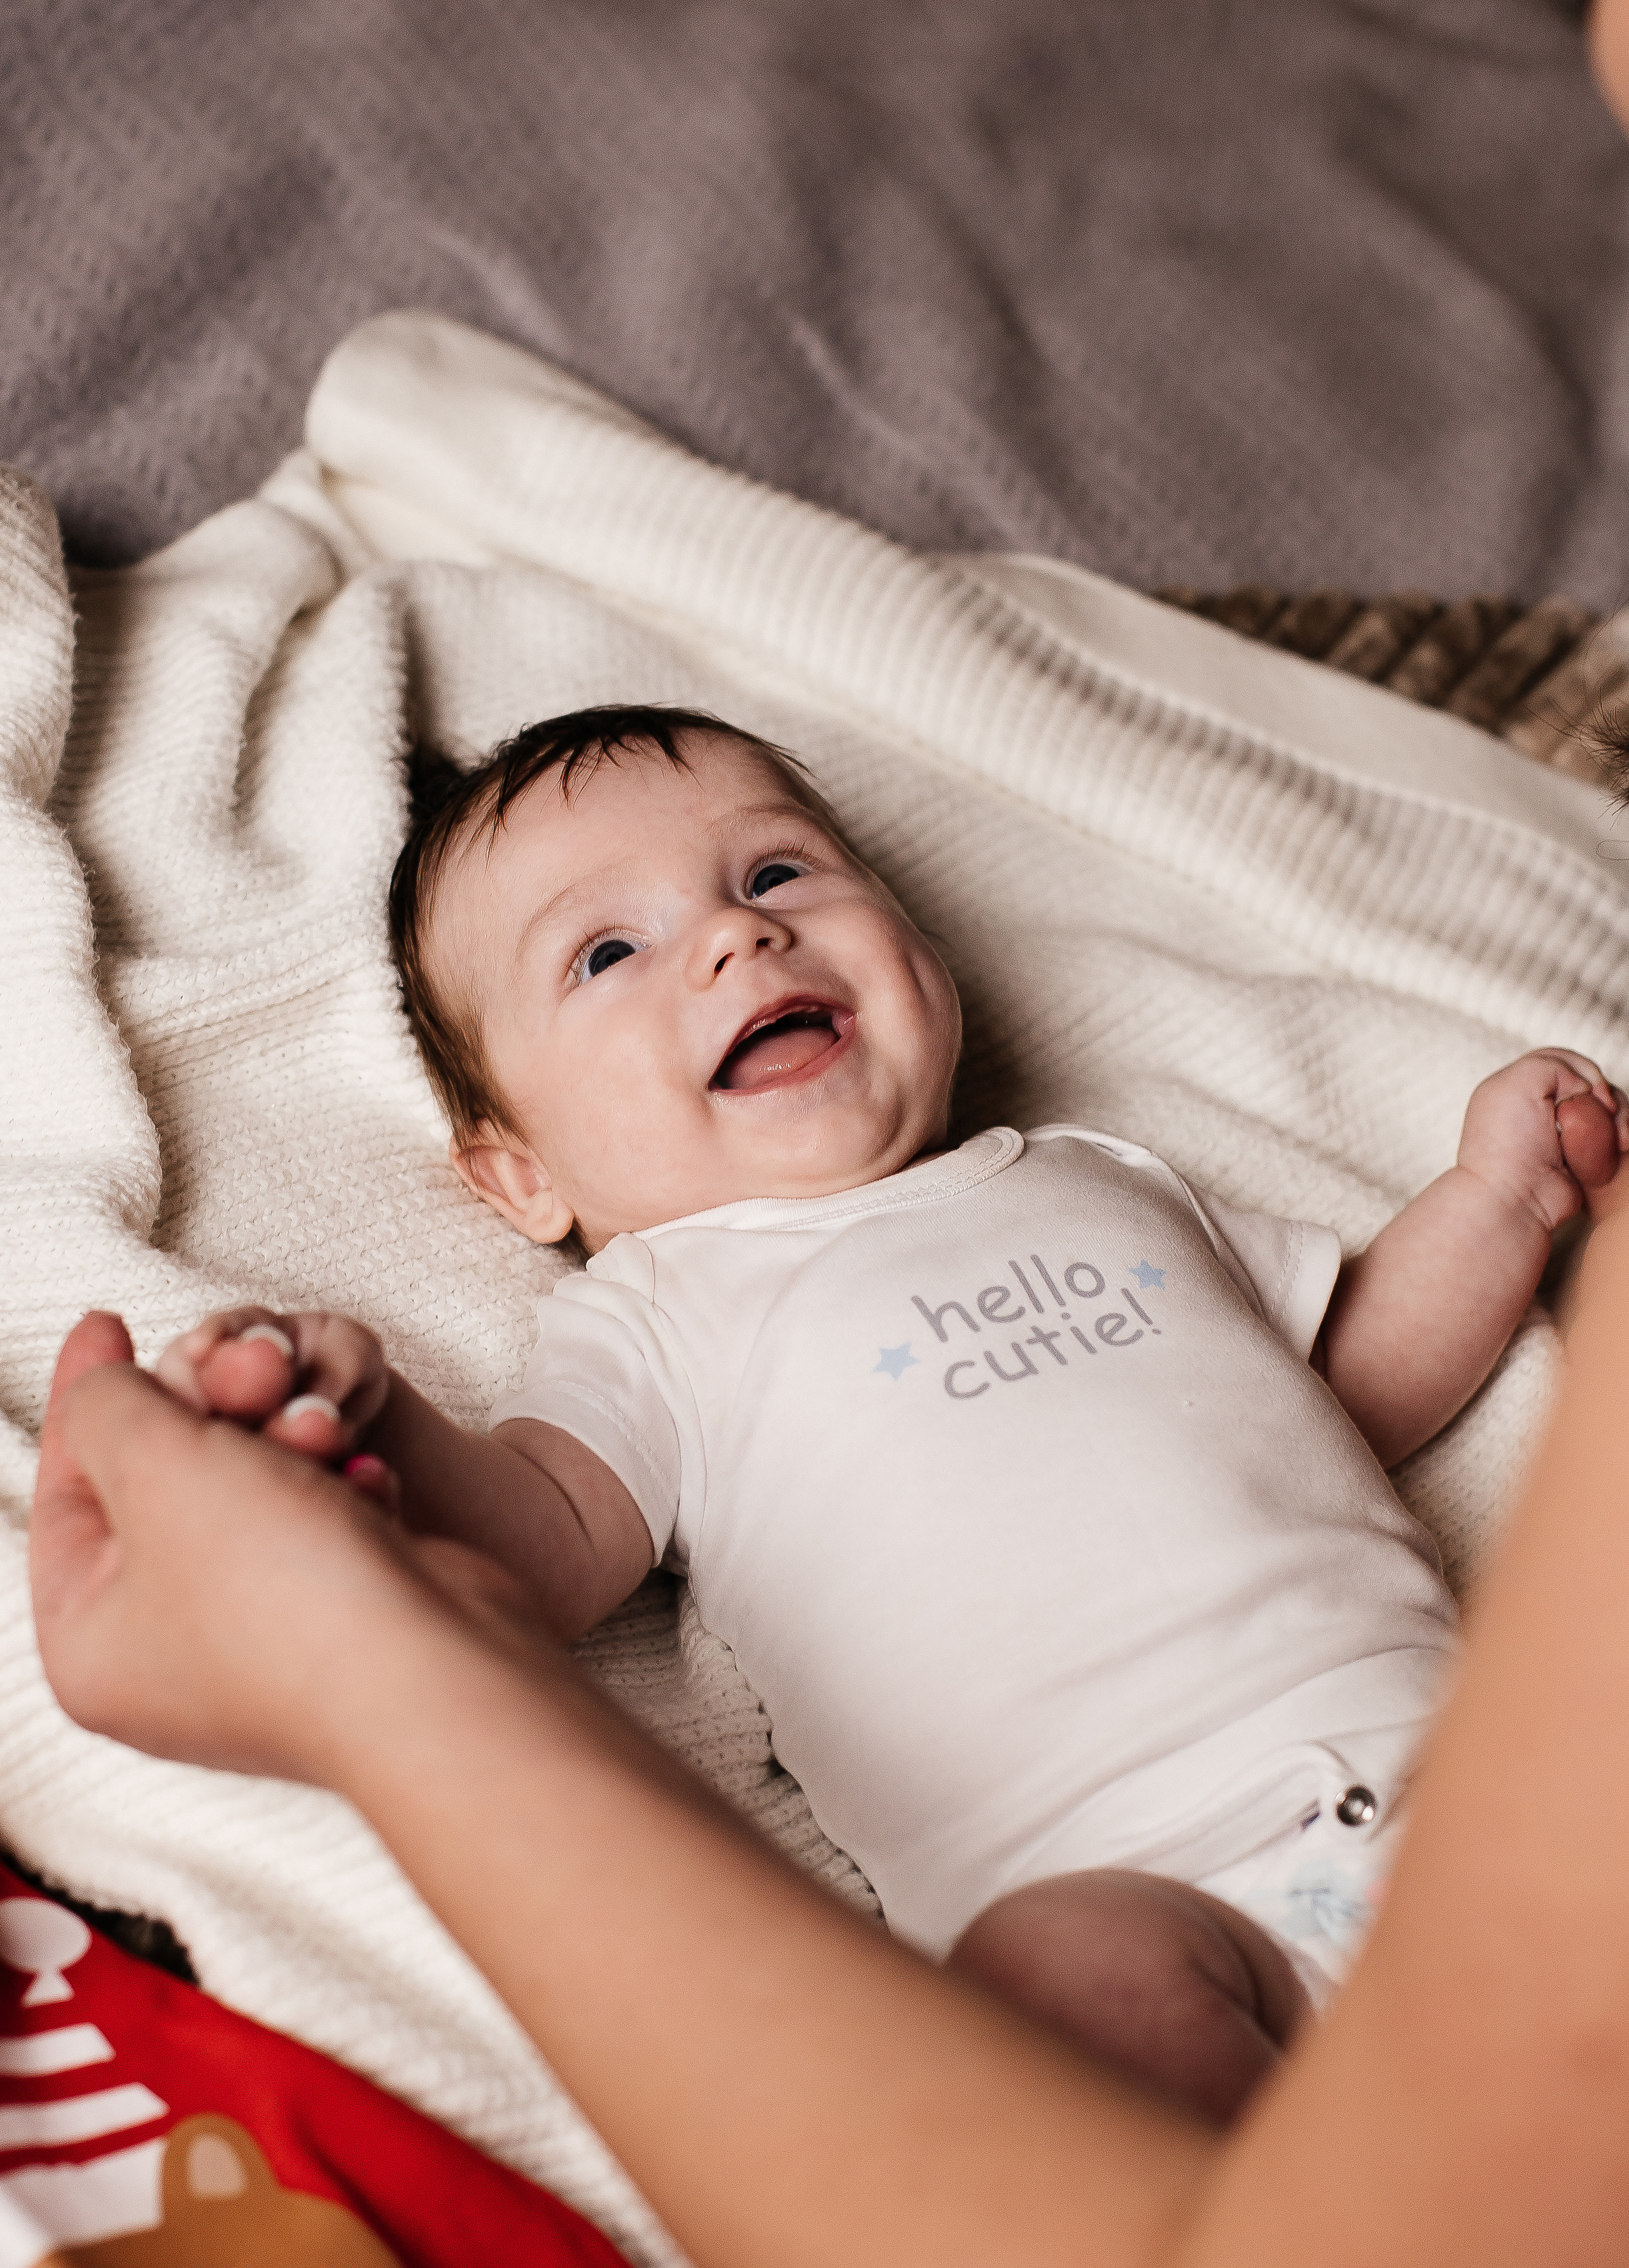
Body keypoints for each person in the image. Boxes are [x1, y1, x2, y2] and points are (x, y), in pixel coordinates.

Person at [144, 706, 1624, 2124]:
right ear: (524, 1178)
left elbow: (1342, 1383)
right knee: (1055, 1986)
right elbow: (535, 1546)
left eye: (776, 872)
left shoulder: (1103, 1173)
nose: (736, 934)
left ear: (922, 954)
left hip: (1466, 1776)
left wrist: (1496, 1200)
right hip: (1144, 1895)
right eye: (606, 952)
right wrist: (368, 1424)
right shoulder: (662, 1315)